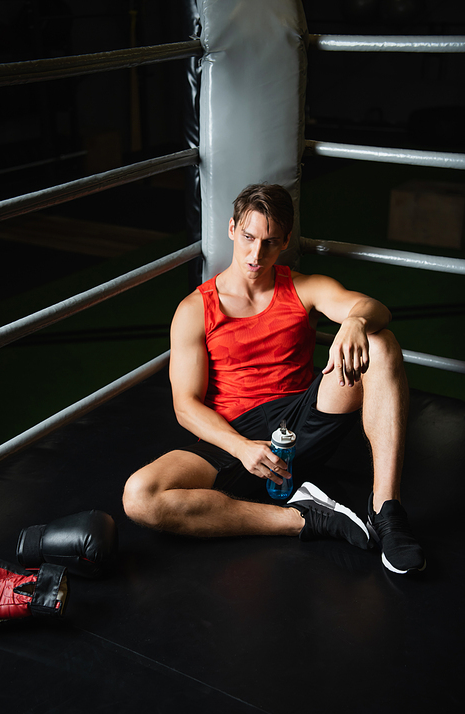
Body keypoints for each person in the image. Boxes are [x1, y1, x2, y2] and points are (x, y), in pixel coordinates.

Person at [123, 183, 425, 574]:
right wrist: (242, 447)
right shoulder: (195, 309)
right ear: (232, 228)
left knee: (380, 343)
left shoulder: (303, 287)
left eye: (269, 242)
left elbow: (373, 308)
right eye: (248, 237)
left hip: (302, 420)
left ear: (284, 242)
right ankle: (306, 518)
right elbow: (185, 405)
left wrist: (356, 320)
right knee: (141, 496)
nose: (256, 253)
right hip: (234, 435)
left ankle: (387, 510)